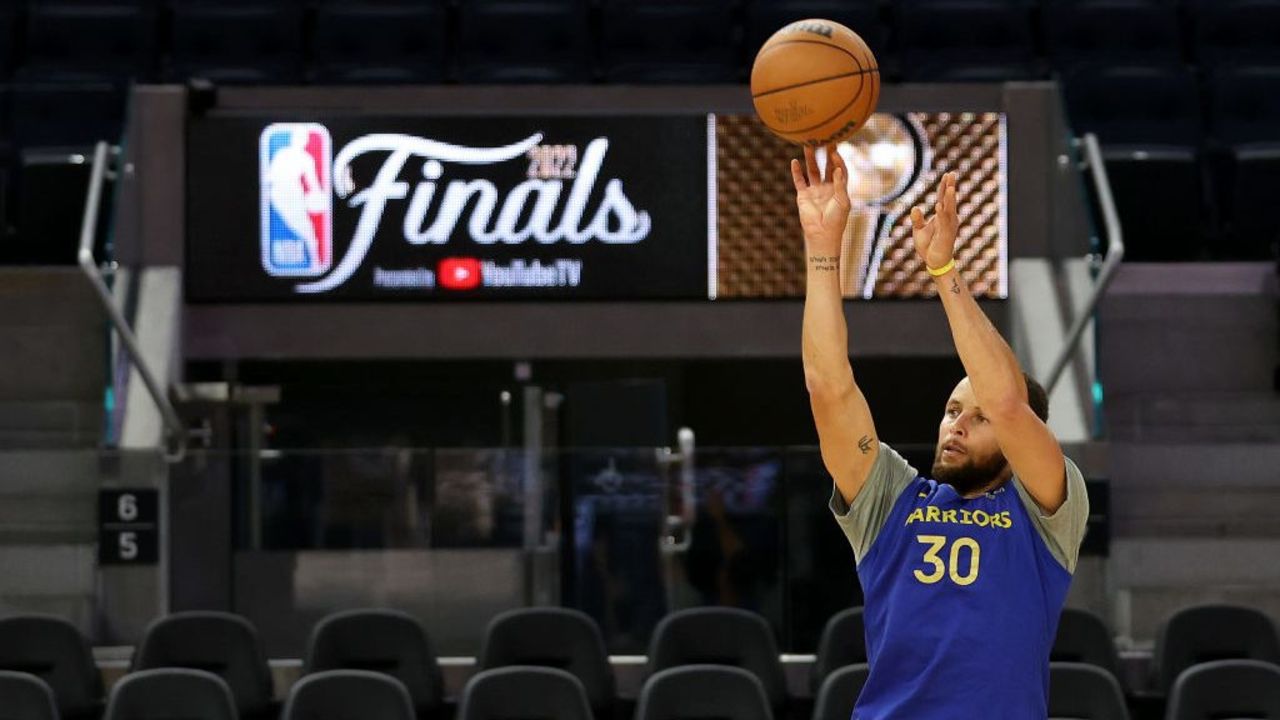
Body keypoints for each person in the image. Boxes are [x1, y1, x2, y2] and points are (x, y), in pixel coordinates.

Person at [793, 145, 1089, 719]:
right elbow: (828, 388)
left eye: (977, 420)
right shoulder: (892, 500)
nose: (956, 426)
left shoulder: (1049, 510)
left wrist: (944, 272)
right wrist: (824, 252)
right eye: (953, 410)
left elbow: (1006, 401)